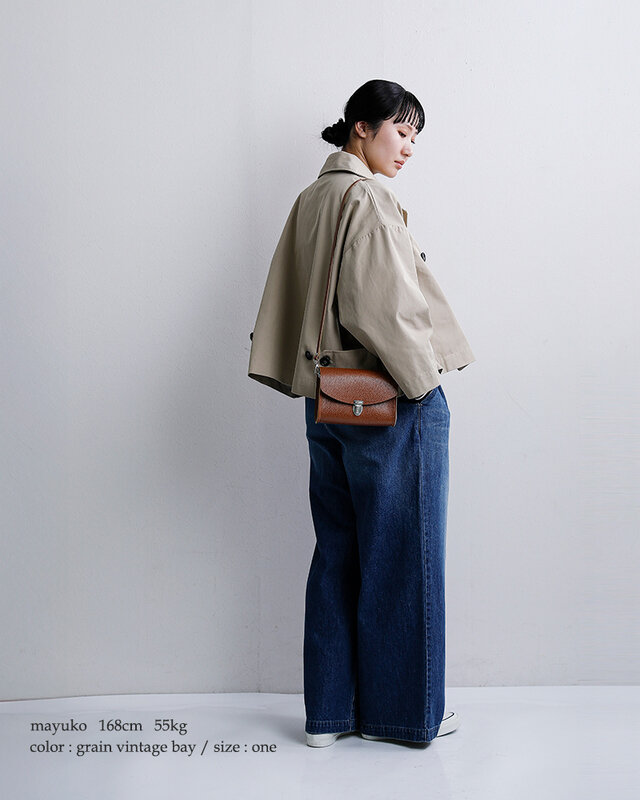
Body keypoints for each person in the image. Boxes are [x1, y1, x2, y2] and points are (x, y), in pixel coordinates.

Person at [247, 79, 475, 747]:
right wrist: (424, 387)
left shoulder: (312, 197)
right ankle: (405, 717)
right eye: (401, 130)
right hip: (386, 396)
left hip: (327, 396)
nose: (408, 147)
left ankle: (330, 716)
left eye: (415, 136)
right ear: (361, 128)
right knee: (406, 555)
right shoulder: (367, 199)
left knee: (338, 551)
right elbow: (385, 310)